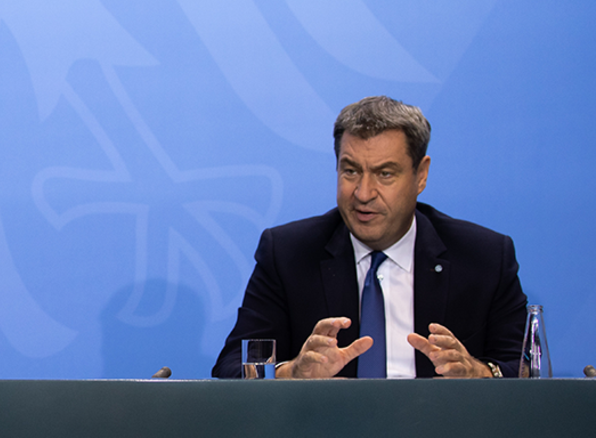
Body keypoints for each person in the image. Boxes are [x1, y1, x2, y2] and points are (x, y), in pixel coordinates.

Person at [212, 96, 527, 379]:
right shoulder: (289, 254)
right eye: (350, 171)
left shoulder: (482, 257)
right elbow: (233, 365)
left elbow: (524, 368)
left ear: (421, 175)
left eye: (385, 174)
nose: (363, 194)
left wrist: (480, 373)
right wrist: (291, 372)